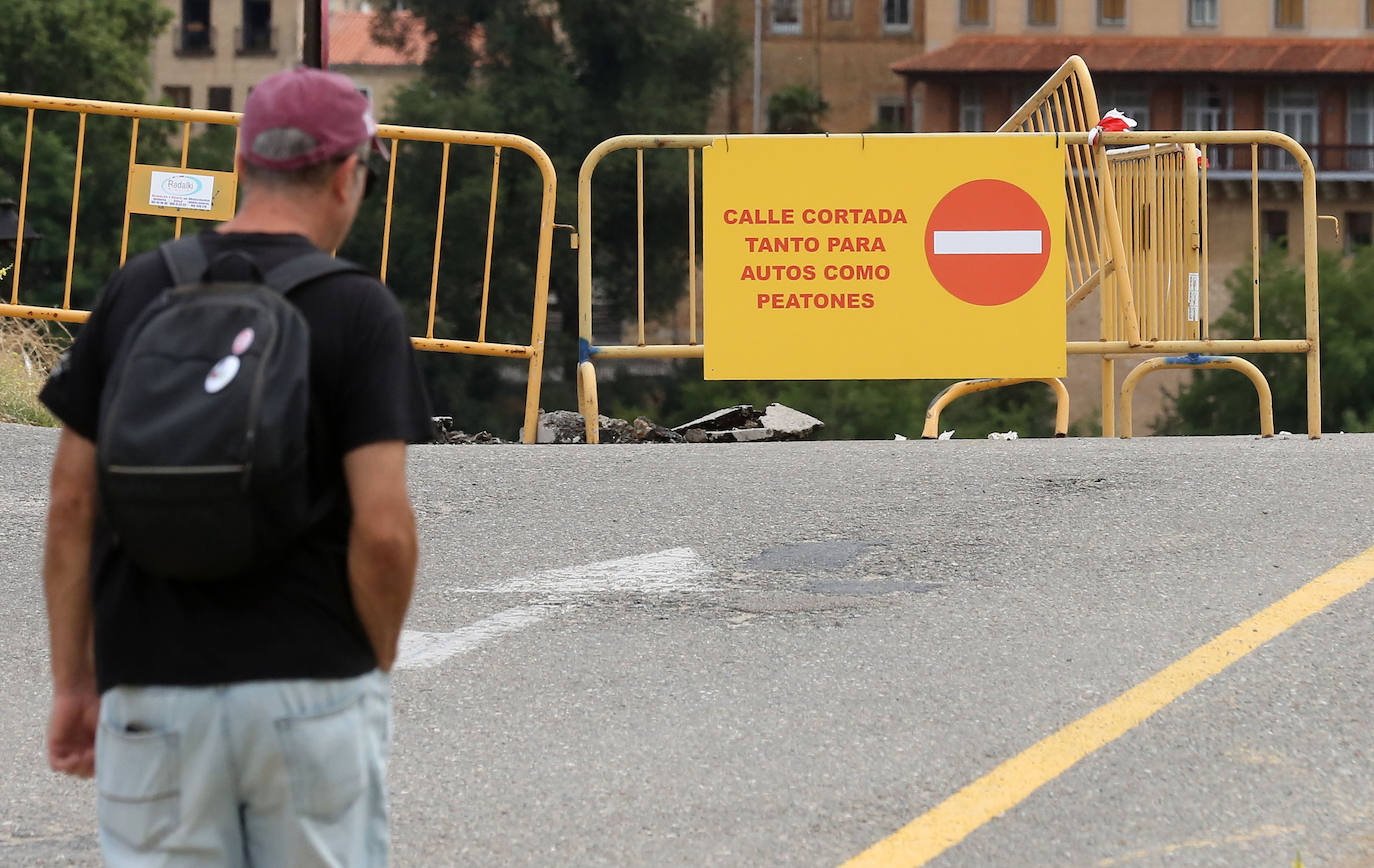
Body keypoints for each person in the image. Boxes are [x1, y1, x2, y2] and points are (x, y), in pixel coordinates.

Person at [39, 66, 432, 866]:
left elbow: (71, 506)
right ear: (350, 174)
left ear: (244, 165)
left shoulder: (138, 287)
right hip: (310, 687)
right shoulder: (359, 310)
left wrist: (77, 683)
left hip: (153, 692)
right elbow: (384, 533)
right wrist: (369, 667)